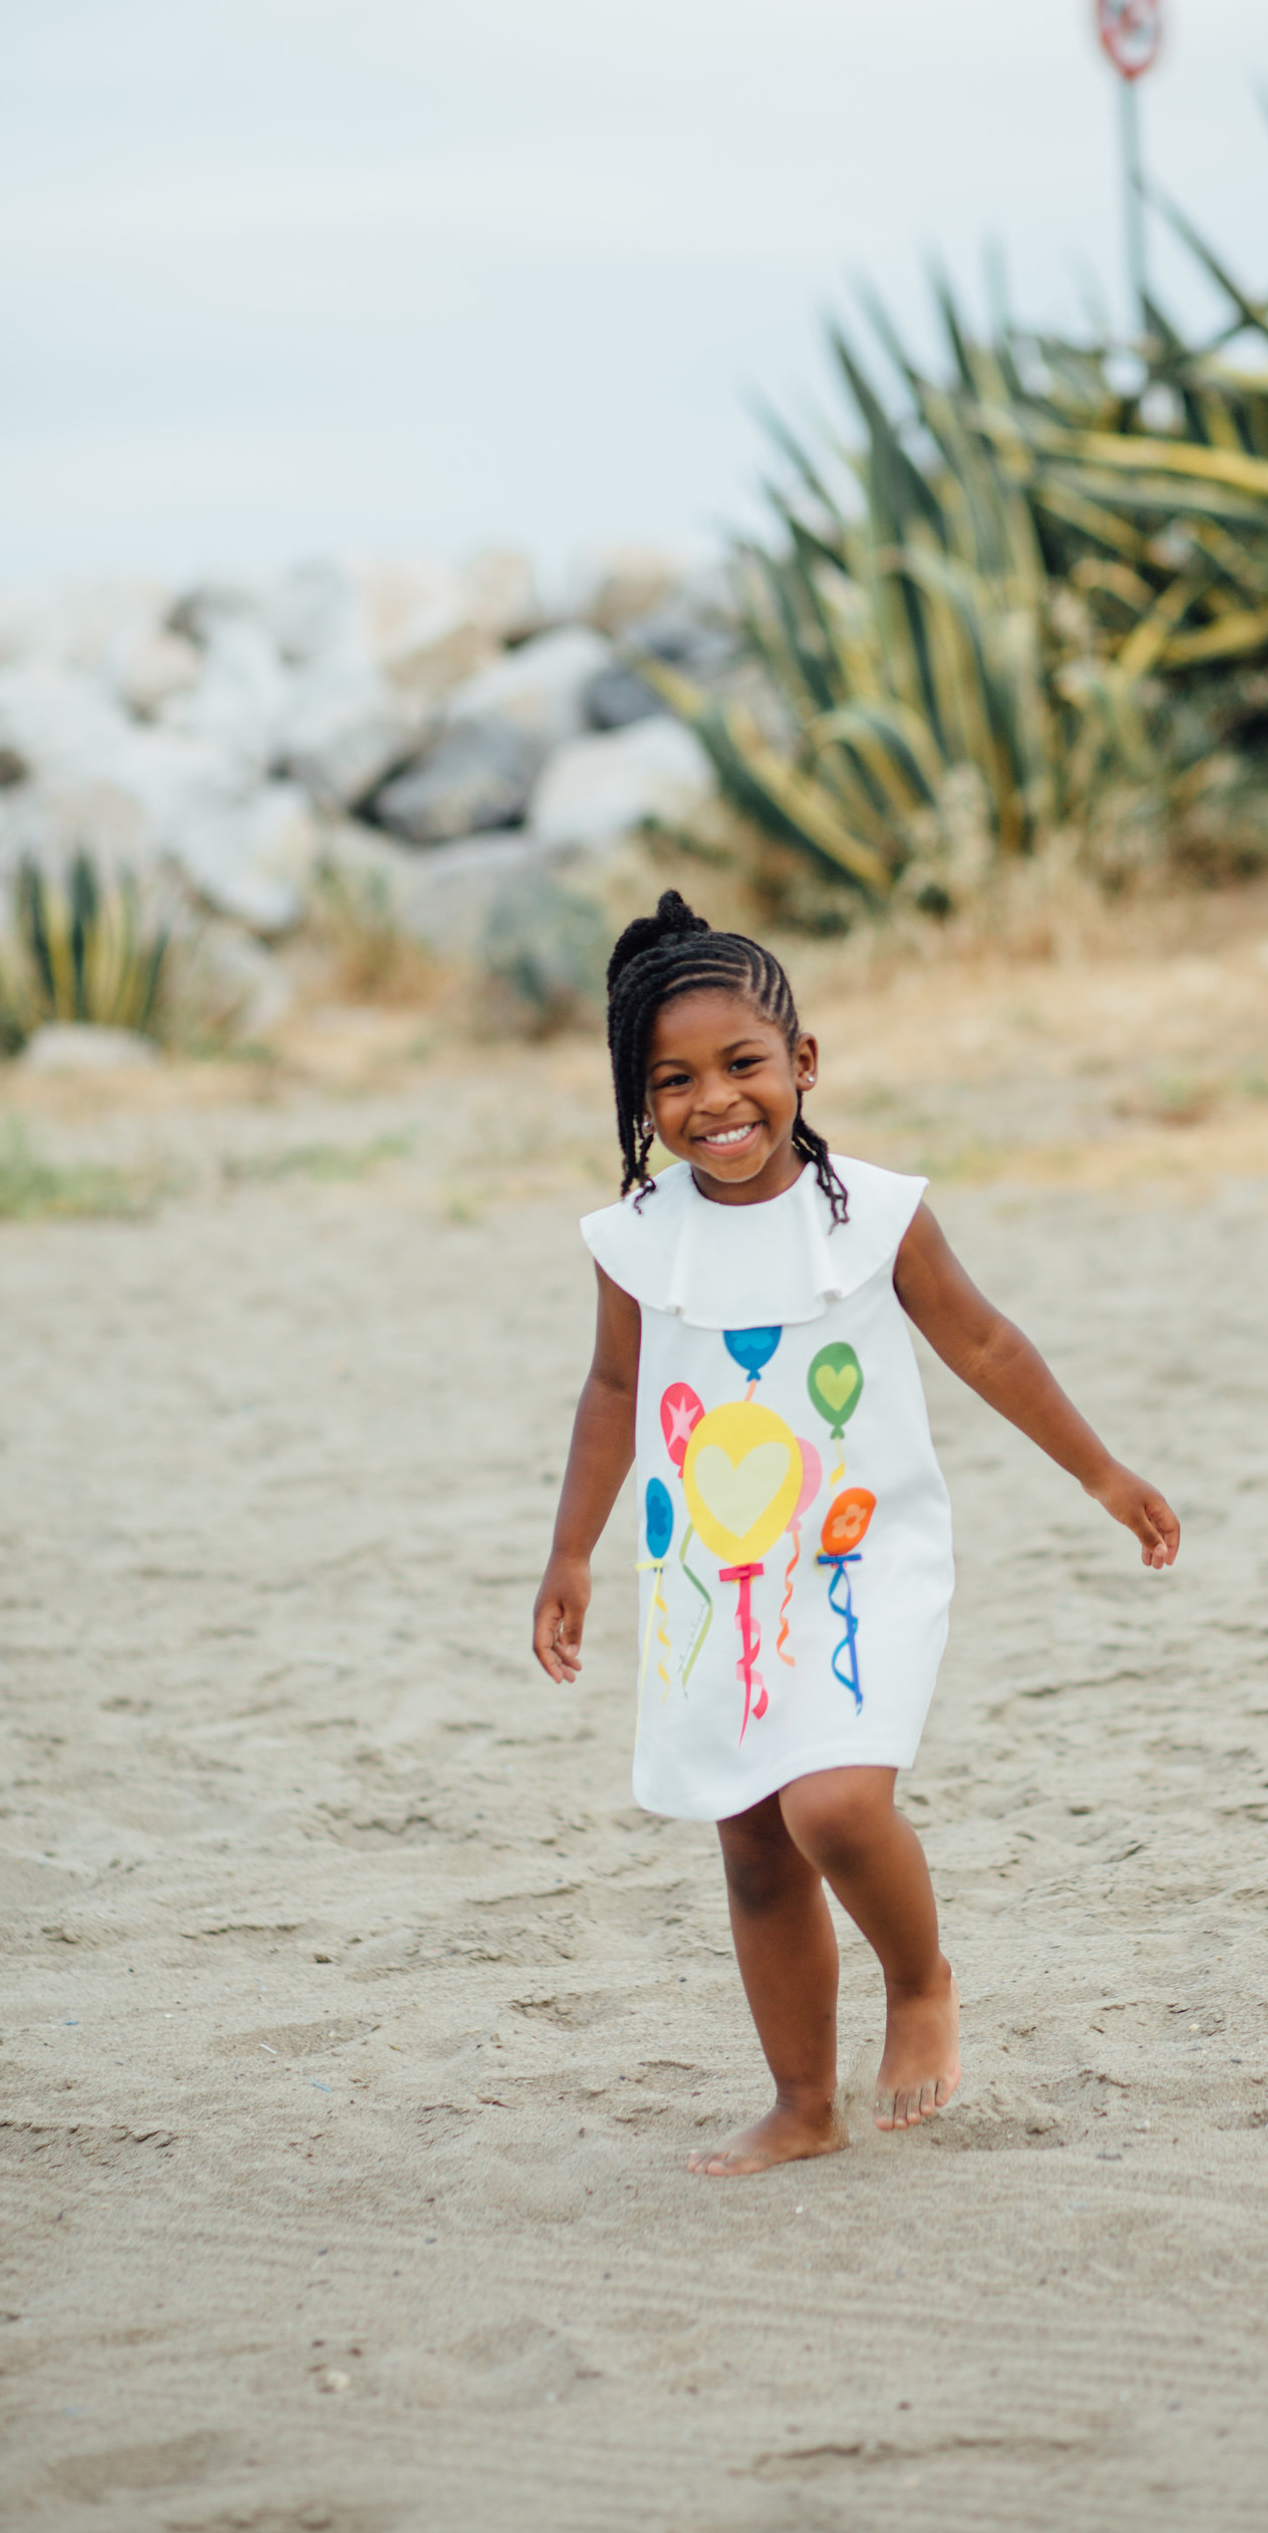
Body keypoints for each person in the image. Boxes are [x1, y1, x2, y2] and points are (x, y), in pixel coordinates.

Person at [532, 892, 1179, 2178]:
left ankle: (921, 1976)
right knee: (755, 1845)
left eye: (742, 1065)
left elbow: (985, 1342)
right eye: (674, 1081)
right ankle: (802, 2100)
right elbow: (613, 1393)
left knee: (833, 1802)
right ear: (636, 1099)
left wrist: (1099, 1472)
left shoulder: (873, 1214)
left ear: (803, 1065)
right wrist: (572, 1554)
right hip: (711, 1575)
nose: (715, 1101)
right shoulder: (634, 1242)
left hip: (857, 1558)